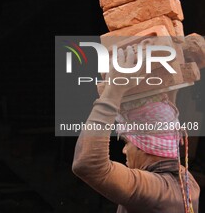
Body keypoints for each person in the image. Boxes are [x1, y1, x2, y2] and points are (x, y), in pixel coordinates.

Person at [72, 45, 200, 213]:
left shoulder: (154, 192)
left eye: (127, 142)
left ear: (146, 146)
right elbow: (164, 126)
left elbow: (87, 164)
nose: (124, 150)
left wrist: (113, 90)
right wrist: (169, 74)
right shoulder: (188, 183)